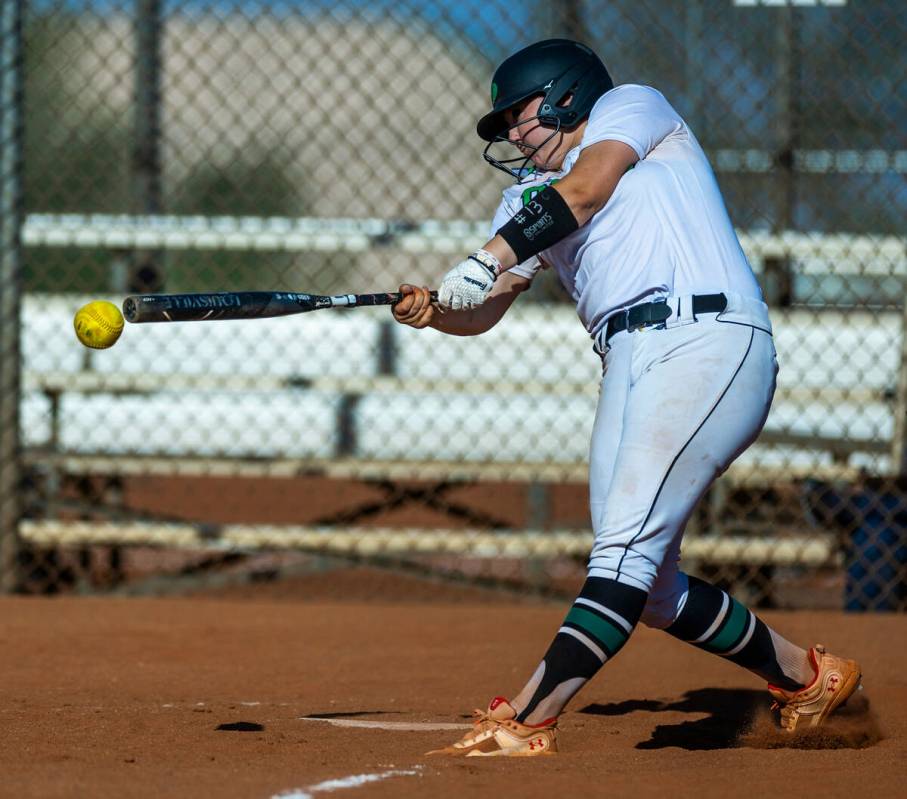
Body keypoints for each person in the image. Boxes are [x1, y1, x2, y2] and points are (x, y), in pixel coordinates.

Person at [392, 38, 861, 757]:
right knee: (647, 587)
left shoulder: (630, 108)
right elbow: (486, 309)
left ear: (565, 95)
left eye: (519, 116)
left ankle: (528, 716)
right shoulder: (522, 200)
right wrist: (438, 309)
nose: (512, 133)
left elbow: (585, 190)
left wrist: (485, 258)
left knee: (621, 553)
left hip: (704, 336)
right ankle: (807, 677)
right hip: (627, 358)